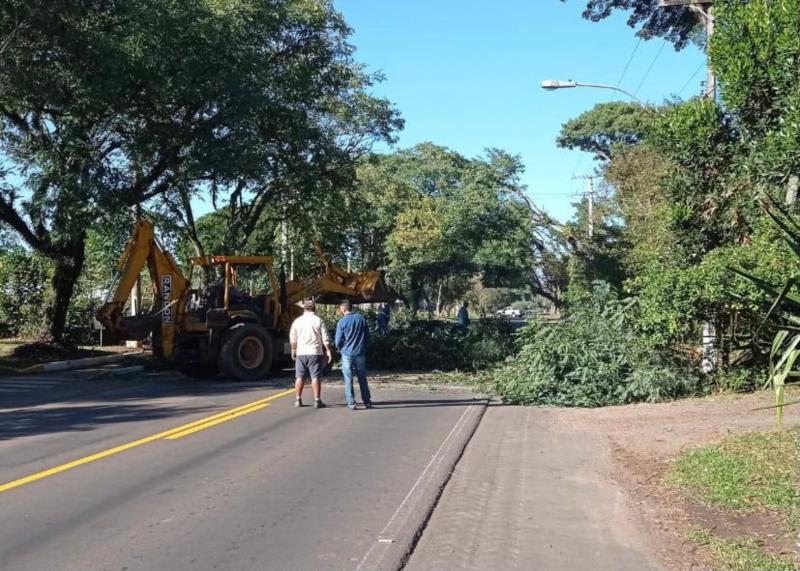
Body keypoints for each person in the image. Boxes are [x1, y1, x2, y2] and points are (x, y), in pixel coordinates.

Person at [289, 299, 332, 409]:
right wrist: (328, 350)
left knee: (300, 377)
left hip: (301, 353)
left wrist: (294, 350)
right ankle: (317, 400)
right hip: (315, 352)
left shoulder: (297, 321)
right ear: (314, 308)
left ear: (304, 309)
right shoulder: (318, 320)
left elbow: (293, 338)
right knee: (315, 377)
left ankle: (298, 399)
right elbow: (325, 338)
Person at [335, 299, 372, 410]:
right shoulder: (361, 318)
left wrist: (341, 349)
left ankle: (351, 402)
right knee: (362, 378)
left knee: (348, 378)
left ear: (344, 309)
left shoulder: (341, 322)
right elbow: (367, 335)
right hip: (359, 352)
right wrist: (363, 346)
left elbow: (337, 341)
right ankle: (367, 401)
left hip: (347, 353)